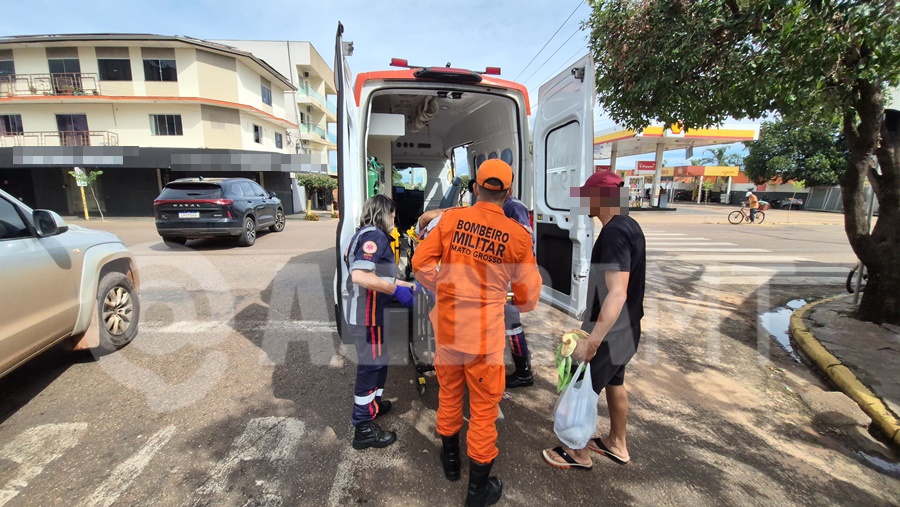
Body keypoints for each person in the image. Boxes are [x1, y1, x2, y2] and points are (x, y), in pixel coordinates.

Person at [413, 159, 542, 506]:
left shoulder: (451, 220)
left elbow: (420, 264)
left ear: (475, 188)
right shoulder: (518, 236)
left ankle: (451, 462)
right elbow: (528, 297)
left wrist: (445, 288)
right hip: (484, 340)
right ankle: (477, 491)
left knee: (449, 396)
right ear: (510, 192)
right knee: (484, 412)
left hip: (449, 332)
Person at [541, 170, 646, 471]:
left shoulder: (613, 233)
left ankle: (577, 452)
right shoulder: (629, 225)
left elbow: (617, 293)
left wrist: (592, 340)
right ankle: (617, 444)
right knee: (615, 384)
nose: (583, 201)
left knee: (580, 387)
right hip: (628, 330)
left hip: (611, 332)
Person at [343, 194, 416, 450]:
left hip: (374, 315)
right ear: (383, 213)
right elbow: (361, 276)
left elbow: (381, 276)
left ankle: (372, 406)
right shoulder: (374, 236)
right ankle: (363, 428)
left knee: (380, 363)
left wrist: (407, 285)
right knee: (371, 367)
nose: (394, 221)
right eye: (393, 216)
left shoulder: (367, 234)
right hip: (367, 317)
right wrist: (396, 292)